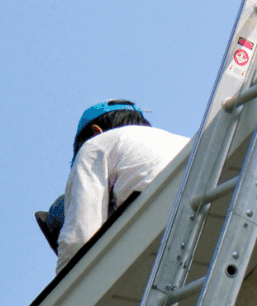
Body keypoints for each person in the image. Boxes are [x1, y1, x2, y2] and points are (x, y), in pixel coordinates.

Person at [47, 99, 187, 273]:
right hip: (199, 208)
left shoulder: (95, 144)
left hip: (160, 220)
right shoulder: (176, 140)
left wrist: (63, 290)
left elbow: (80, 238)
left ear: (95, 132)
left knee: (60, 211)